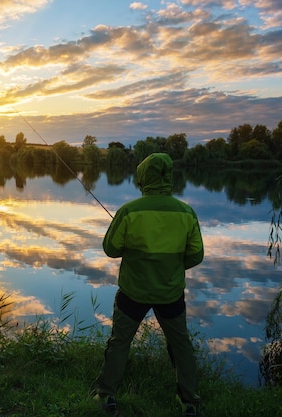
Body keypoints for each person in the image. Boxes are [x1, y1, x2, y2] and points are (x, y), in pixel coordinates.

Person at [93, 152, 204, 417]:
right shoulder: (186, 212)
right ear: (169, 178)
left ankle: (107, 394)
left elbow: (110, 248)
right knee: (181, 345)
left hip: (133, 291)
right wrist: (173, 268)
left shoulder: (129, 211)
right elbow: (196, 254)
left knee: (119, 343)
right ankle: (189, 401)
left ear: (142, 177)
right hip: (170, 293)